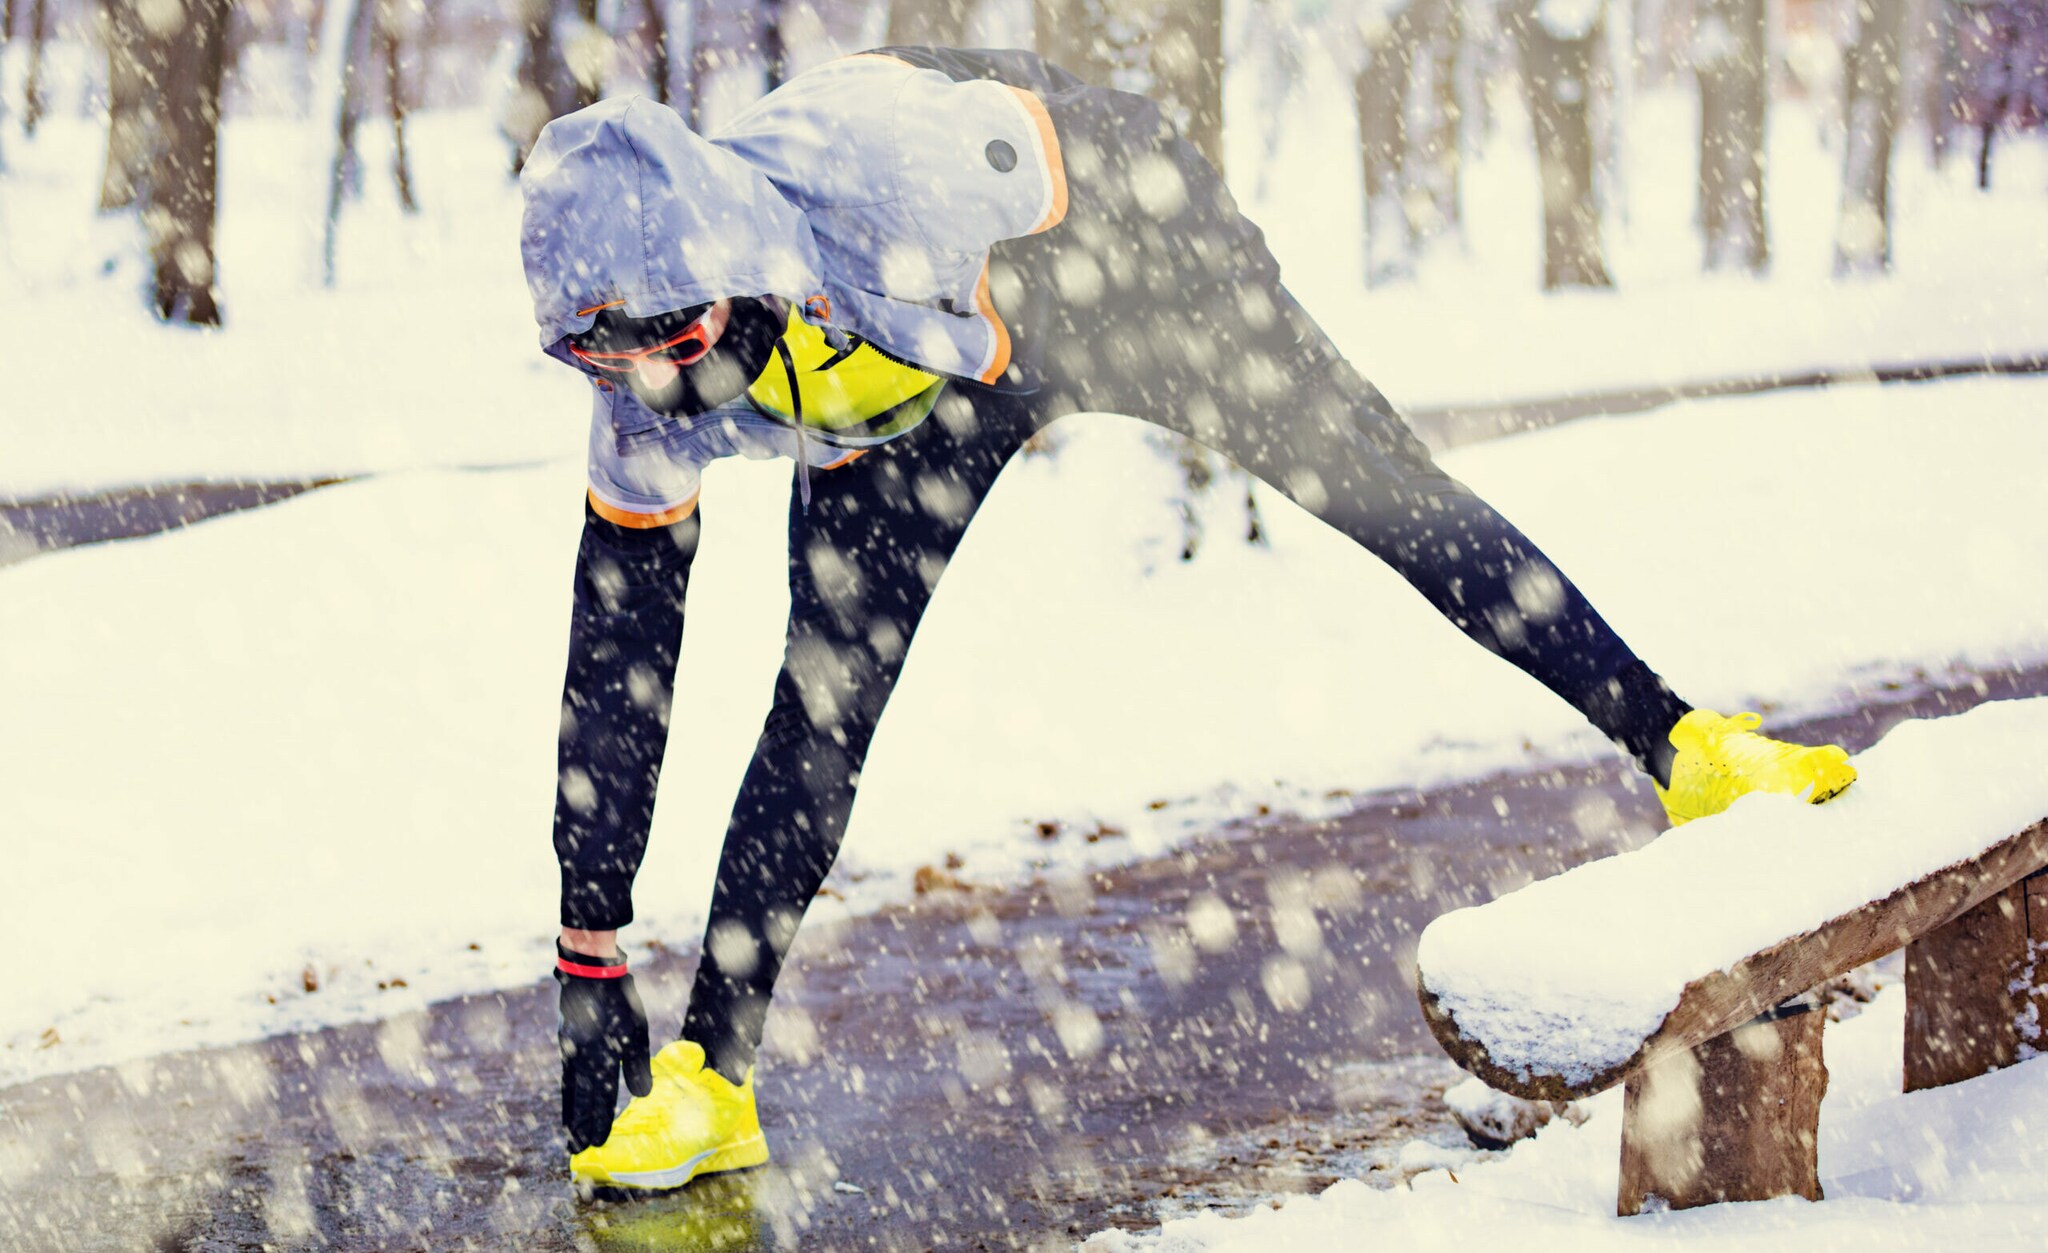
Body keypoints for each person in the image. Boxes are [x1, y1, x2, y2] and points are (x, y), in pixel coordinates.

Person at [521, 46, 1857, 1192]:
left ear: (744, 271)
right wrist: (589, 960)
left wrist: (1243, 326)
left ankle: (1686, 746)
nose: (654, 384)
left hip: (1120, 281)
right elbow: (617, 665)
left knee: (1390, 495)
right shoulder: (645, 395)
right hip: (920, 400)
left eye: (675, 339)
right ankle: (711, 1078)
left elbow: (1135, 148)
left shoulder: (905, 160)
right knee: (819, 704)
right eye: (611, 358)